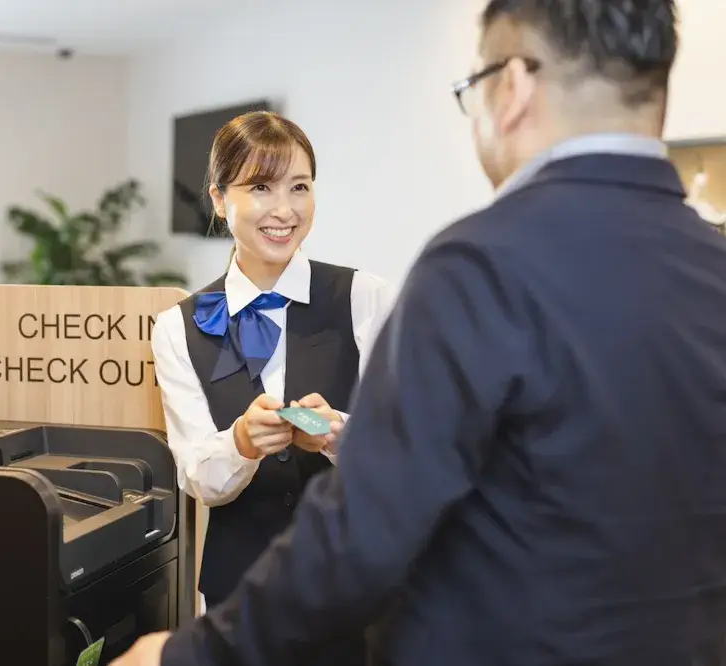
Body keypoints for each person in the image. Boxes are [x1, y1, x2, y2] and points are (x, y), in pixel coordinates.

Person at [115, 1, 726, 665]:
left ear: (512, 86)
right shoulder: (713, 268)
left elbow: (375, 519)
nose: (284, 209)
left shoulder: (479, 267)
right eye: (262, 189)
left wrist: (192, 655)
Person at [147, 110, 392, 663]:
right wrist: (240, 442)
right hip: (240, 595)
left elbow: (405, 446)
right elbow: (196, 475)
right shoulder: (180, 327)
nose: (285, 210)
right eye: (260, 187)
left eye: (299, 187)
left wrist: (336, 436)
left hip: (352, 585)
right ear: (218, 198)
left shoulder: (364, 297)